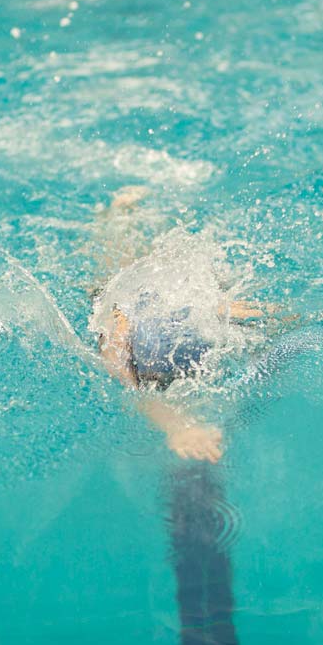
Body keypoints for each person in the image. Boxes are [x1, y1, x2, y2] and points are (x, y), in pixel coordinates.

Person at [89, 187, 280, 463]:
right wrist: (177, 427)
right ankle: (118, 214)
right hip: (127, 295)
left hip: (176, 301)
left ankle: (122, 215)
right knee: (116, 267)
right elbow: (127, 387)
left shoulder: (213, 307)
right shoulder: (119, 325)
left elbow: (286, 318)